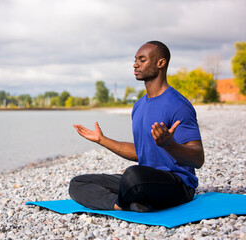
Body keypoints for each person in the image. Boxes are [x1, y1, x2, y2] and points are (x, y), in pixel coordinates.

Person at [69, 41, 204, 212]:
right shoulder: (139, 106)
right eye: (135, 60)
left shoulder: (178, 105)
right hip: (145, 180)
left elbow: (198, 159)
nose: (135, 65)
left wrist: (170, 145)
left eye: (142, 60)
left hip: (178, 185)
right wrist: (102, 140)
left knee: (132, 176)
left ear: (160, 63)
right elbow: (141, 152)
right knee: (78, 183)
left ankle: (132, 200)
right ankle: (122, 205)